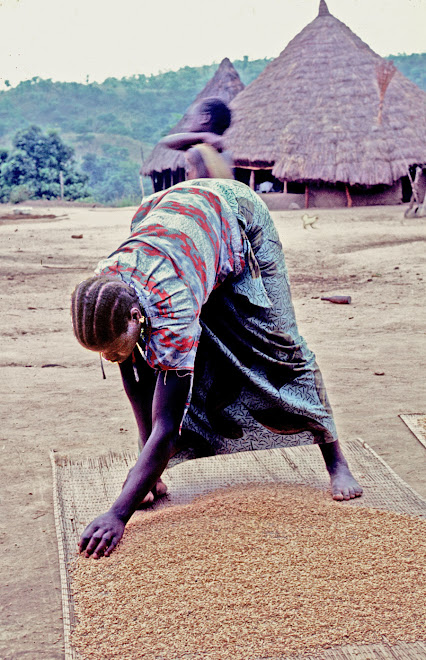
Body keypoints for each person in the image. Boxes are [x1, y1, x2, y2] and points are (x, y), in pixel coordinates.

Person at [72, 178, 363, 559]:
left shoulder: (171, 303)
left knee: (281, 349)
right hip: (178, 225)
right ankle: (152, 475)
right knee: (150, 356)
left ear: (134, 315)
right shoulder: (107, 283)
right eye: (101, 354)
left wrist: (117, 513)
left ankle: (335, 459)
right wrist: (146, 477)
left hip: (236, 217)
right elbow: (137, 377)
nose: (109, 358)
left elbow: (167, 425)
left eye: (112, 349)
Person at [160, 97, 234, 180]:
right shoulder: (225, 153)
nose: (186, 124)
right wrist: (205, 135)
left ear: (205, 118)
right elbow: (166, 142)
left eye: (190, 118)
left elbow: (198, 188)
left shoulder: (196, 152)